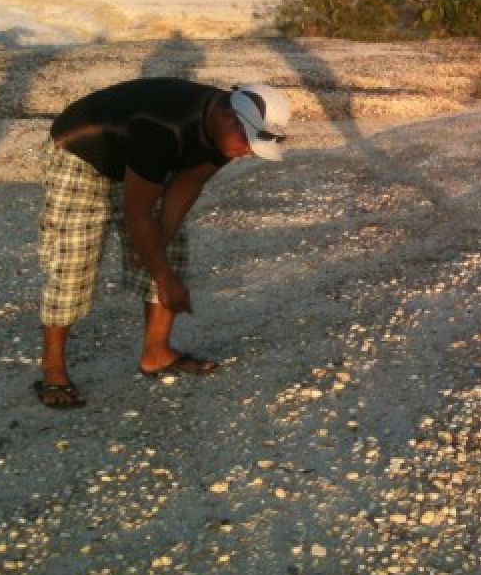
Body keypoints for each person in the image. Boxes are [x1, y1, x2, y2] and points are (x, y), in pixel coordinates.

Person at [34, 78, 291, 409]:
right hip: (82, 157)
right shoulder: (163, 128)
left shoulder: (226, 133)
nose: (248, 151)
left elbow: (191, 179)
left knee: (168, 252)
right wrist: (163, 276)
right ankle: (53, 370)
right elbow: (137, 212)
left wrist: (162, 242)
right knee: (73, 265)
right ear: (229, 116)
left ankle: (157, 353)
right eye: (248, 141)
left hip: (140, 160)